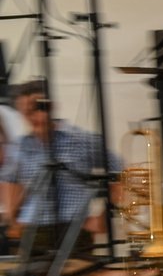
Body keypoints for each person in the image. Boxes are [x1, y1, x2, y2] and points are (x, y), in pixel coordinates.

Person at [2, 89, 121, 260]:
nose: (32, 116)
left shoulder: (81, 140)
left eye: (37, 108)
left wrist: (104, 217)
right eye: (25, 112)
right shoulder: (20, 146)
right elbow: (9, 179)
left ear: (51, 106)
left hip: (74, 228)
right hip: (33, 229)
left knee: (79, 275)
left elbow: (120, 172)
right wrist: (12, 219)